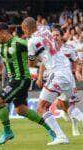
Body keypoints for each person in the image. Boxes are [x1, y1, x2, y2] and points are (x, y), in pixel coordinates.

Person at [0, 22, 55, 145]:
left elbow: (38, 52)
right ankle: (52, 129)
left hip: (21, 79)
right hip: (14, 80)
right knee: (21, 110)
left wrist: (40, 69)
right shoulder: (1, 44)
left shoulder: (20, 43)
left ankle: (7, 132)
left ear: (4, 33)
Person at [21, 17, 75, 145]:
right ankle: (65, 111)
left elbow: (32, 62)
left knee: (41, 108)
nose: (24, 33)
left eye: (24, 30)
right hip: (67, 70)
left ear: (26, 28)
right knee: (63, 103)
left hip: (57, 73)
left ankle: (61, 136)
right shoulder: (45, 30)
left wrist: (27, 58)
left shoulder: (31, 42)